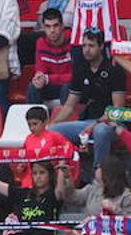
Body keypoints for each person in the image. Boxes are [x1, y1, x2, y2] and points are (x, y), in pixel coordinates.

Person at [47, 29, 126, 168]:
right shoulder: (80, 69)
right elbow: (69, 107)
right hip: (87, 122)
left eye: (91, 45)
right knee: (53, 132)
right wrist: (51, 125)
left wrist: (94, 125)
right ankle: (68, 174)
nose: (86, 50)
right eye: (84, 46)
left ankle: (99, 177)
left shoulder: (114, 70)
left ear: (101, 46)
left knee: (100, 131)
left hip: (112, 124)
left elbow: (116, 111)